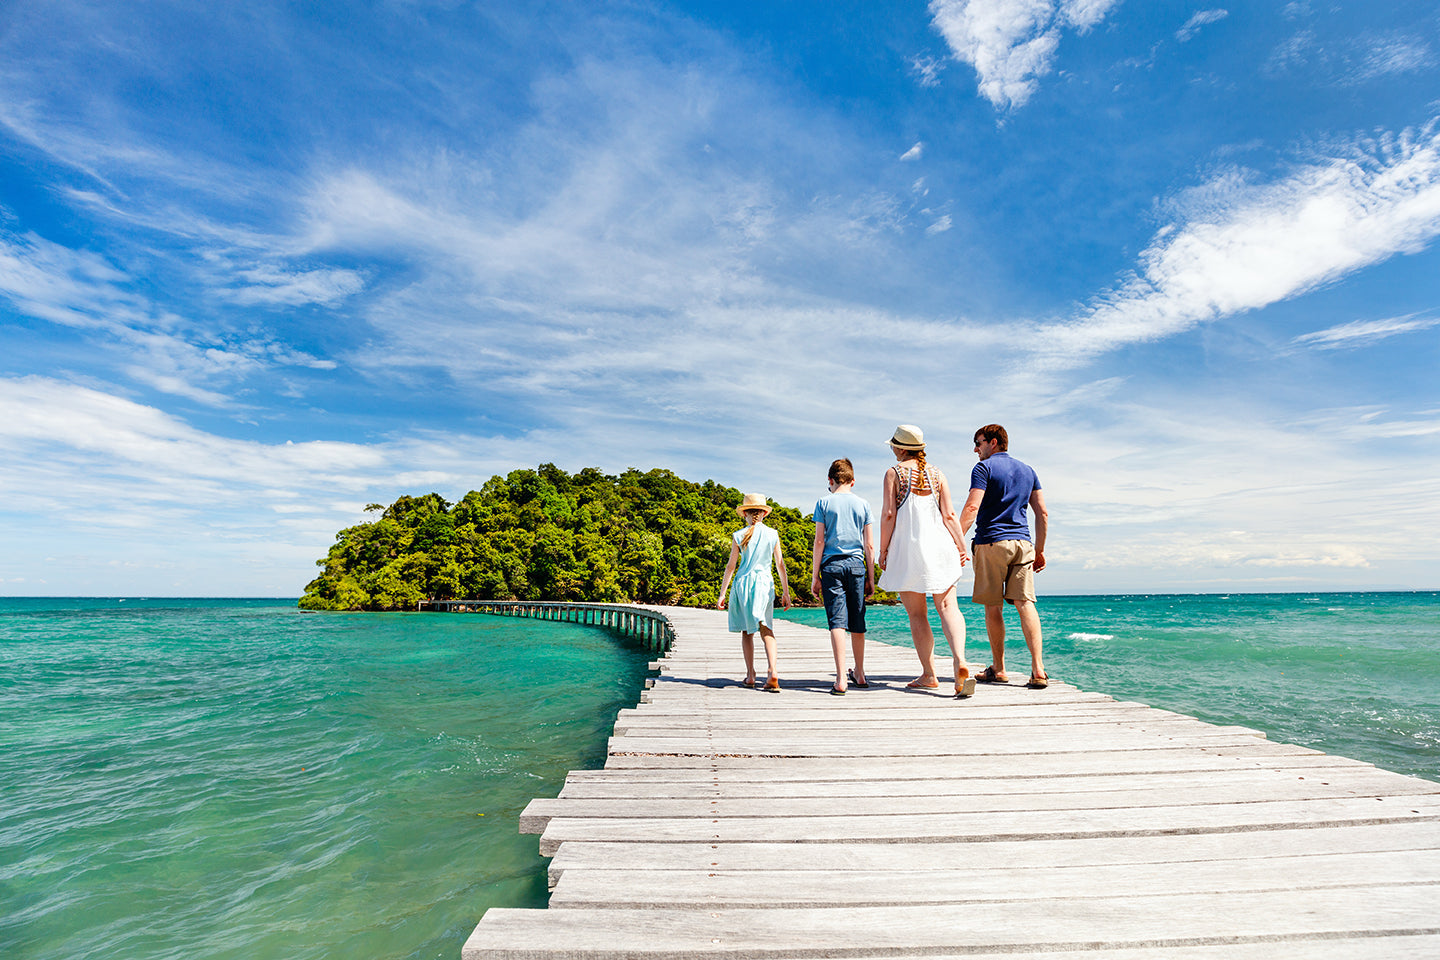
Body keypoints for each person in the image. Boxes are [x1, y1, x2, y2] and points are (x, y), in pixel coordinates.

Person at [876, 425, 976, 698]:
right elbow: (950, 514)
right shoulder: (937, 473)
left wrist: (883, 550)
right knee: (948, 607)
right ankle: (960, 661)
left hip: (908, 550)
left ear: (901, 448)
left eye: (894, 445)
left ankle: (930, 674)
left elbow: (888, 515)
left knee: (918, 613)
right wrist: (960, 545)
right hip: (941, 546)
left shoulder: (893, 473)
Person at [959, 423, 1049, 688]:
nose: (976, 449)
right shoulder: (1029, 470)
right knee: (1025, 604)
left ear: (994, 442)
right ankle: (1038, 669)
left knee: (993, 605)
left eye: (979, 443)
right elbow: (1042, 513)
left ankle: (999, 669)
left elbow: (973, 505)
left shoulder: (983, 468)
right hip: (1023, 544)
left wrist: (954, 540)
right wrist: (1040, 550)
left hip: (991, 542)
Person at [810, 458, 877, 696]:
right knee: (857, 621)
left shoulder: (823, 502)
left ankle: (840, 679)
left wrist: (814, 575)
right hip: (857, 566)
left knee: (837, 622)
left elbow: (819, 541)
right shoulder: (863, 504)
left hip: (831, 565)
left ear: (830, 480)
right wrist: (871, 576)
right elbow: (869, 545)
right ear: (853, 480)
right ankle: (859, 672)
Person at [716, 492, 793, 692]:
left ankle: (750, 675)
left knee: (747, 631)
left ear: (745, 514)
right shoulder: (773, 534)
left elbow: (730, 567)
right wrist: (786, 592)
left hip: (743, 584)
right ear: (764, 514)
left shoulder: (738, 535)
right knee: (766, 629)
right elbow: (780, 565)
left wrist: (722, 594)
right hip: (764, 584)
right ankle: (773, 671)